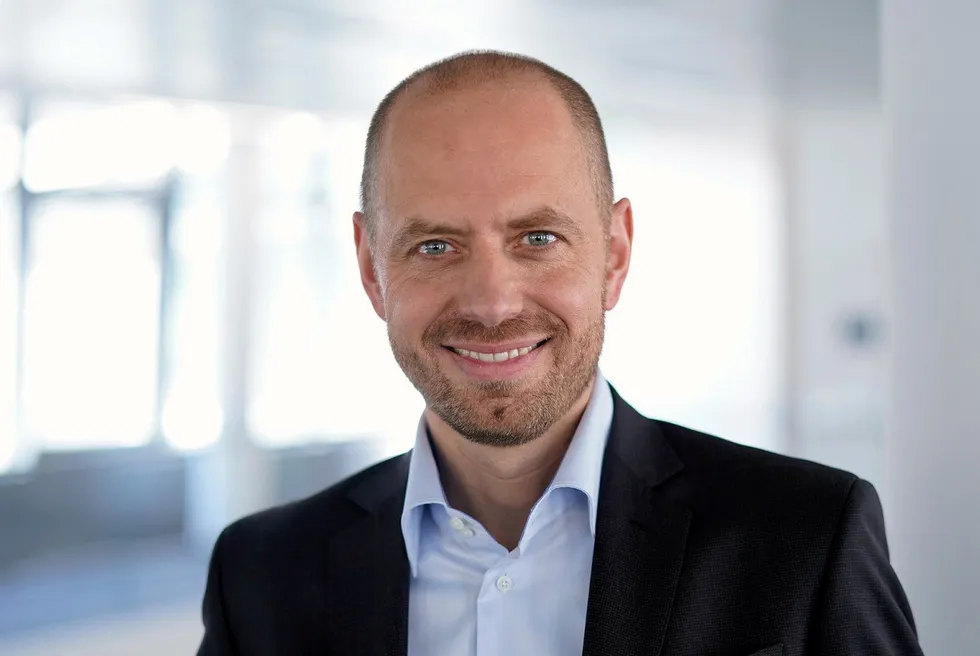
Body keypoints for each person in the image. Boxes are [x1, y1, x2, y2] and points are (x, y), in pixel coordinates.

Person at [197, 51, 923, 656]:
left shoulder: (806, 538)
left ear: (615, 254)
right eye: (436, 246)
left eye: (537, 239)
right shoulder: (261, 575)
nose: (492, 303)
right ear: (370, 268)